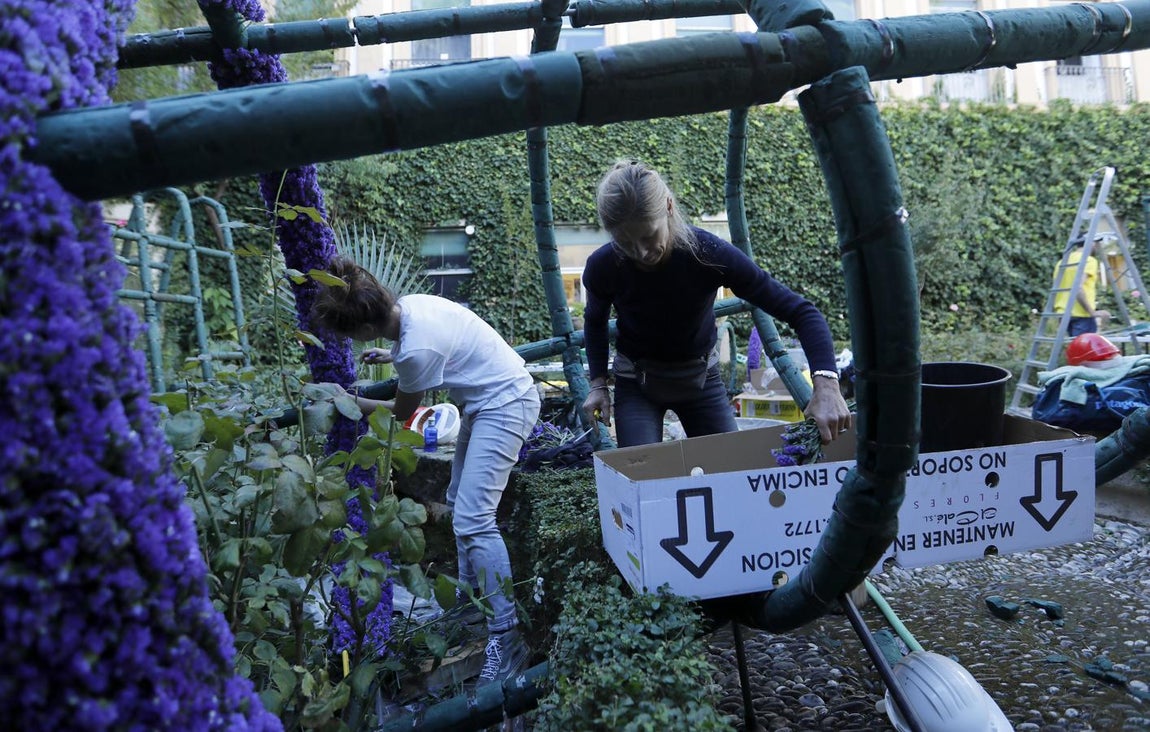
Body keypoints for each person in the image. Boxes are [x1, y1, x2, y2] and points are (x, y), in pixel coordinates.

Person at [310, 257, 539, 687]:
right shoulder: (411, 308)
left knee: (475, 518)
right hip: (489, 399)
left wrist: (348, 399)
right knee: (458, 504)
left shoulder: (415, 351)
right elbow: (428, 355)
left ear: (361, 329)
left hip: (506, 405)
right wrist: (391, 355)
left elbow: (402, 411)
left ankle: (505, 634)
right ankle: (474, 605)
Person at [580, 161, 851, 448]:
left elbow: (801, 312)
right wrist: (598, 383)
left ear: (669, 207)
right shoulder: (603, 266)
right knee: (639, 474)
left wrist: (827, 384)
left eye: (649, 236)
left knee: (730, 469)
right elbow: (595, 320)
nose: (641, 252)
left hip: (701, 380)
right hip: (636, 382)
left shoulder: (708, 254)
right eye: (625, 243)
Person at [1053, 235, 1111, 337]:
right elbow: (1078, 288)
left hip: (1063, 314)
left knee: (1074, 350)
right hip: (1082, 315)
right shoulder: (1089, 260)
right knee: (1085, 351)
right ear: (1091, 243)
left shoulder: (1062, 262)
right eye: (1096, 243)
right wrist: (1092, 312)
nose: (1097, 246)